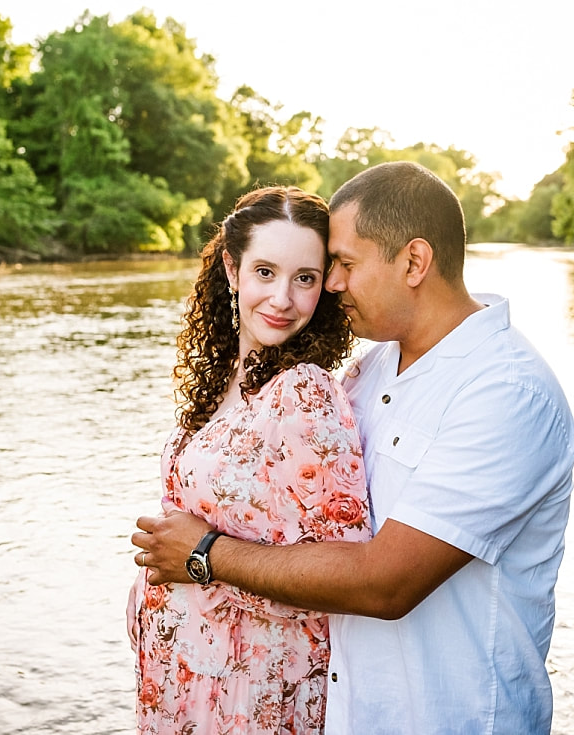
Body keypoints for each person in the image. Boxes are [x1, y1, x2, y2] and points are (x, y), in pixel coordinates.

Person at [133, 161, 574, 734]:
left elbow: (385, 581)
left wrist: (207, 554)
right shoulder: (370, 371)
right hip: (349, 713)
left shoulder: (507, 393)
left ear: (414, 262)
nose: (331, 285)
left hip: (448, 719)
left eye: (342, 265)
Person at [126, 186, 373, 734]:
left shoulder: (306, 393)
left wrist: (202, 558)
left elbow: (344, 569)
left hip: (253, 689)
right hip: (185, 679)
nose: (283, 298)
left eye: (304, 278)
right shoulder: (222, 386)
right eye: (265, 272)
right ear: (233, 270)